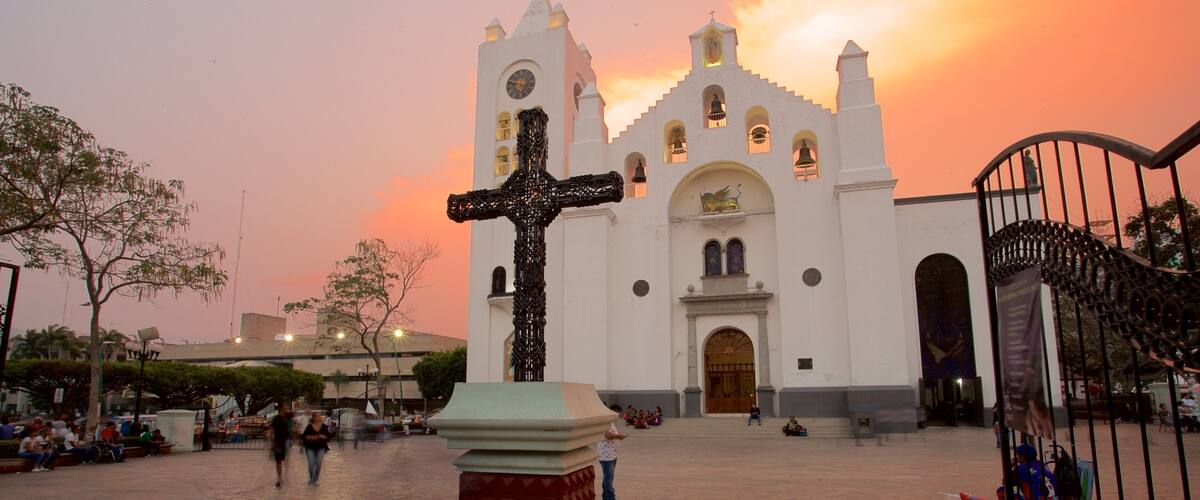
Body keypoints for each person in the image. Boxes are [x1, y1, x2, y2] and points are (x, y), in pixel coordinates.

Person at [598, 404, 628, 500]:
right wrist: (618, 436)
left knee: (608, 477)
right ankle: (610, 497)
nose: (618, 415)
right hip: (606, 456)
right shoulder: (604, 422)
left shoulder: (610, 422)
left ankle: (606, 496)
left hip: (612, 454)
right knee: (608, 478)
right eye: (617, 413)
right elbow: (607, 435)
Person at [301, 413, 334, 485]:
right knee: (311, 464)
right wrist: (311, 437)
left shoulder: (324, 427)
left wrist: (323, 436)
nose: (319, 418)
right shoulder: (309, 427)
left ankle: (315, 479)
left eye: (320, 416)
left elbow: (329, 436)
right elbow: (304, 436)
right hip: (310, 447)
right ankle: (311, 478)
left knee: (318, 463)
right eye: (318, 416)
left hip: (321, 447)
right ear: (314, 418)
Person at [268, 406, 292, 488]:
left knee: (284, 460)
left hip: (286, 442)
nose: (286, 410)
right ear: (281, 410)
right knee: (278, 461)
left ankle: (282, 476)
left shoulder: (287, 418)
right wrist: (272, 441)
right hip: (278, 442)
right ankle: (280, 477)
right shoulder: (276, 419)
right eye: (285, 409)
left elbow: (290, 429)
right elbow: (272, 430)